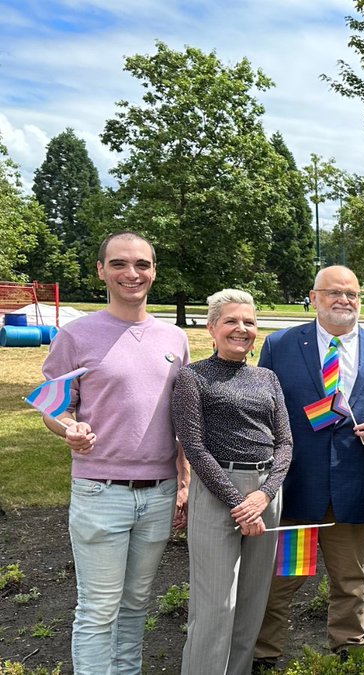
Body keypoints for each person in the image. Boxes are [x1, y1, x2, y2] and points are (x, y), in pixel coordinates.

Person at [39, 231, 190, 674]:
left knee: (136, 603)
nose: (132, 273)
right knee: (99, 608)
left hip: (159, 492)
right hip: (100, 493)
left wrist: (183, 481)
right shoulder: (75, 336)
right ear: (101, 271)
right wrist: (69, 428)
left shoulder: (174, 339)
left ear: (154, 271)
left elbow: (180, 418)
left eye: (142, 264)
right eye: (120, 263)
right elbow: (53, 408)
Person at [253, 266, 364, 669]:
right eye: (334, 292)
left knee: (350, 579)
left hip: (354, 489)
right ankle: (265, 653)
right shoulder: (281, 346)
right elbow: (263, 408)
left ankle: (349, 648)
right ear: (314, 297)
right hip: (298, 489)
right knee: (283, 579)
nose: (344, 300)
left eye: (352, 294)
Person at [172, 289, 293, 675]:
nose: (241, 329)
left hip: (265, 494)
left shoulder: (267, 378)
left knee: (252, 603)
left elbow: (285, 444)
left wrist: (264, 495)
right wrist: (239, 502)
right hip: (217, 491)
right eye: (231, 321)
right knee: (215, 606)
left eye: (249, 322)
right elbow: (194, 446)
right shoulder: (192, 377)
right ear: (212, 328)